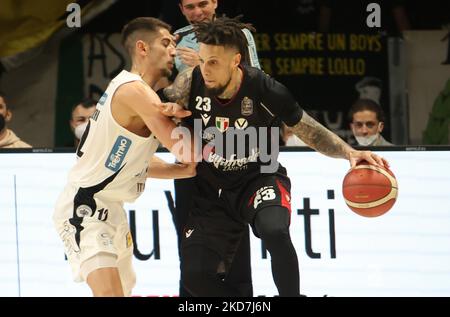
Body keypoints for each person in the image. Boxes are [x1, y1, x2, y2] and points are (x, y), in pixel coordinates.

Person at [162, 16, 388, 296]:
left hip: (259, 179)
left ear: (236, 61)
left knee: (275, 232)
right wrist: (169, 111)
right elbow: (161, 107)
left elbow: (309, 130)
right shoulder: (191, 82)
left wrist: (349, 152)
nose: (205, 69)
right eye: (203, 60)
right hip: (212, 191)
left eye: (214, 62)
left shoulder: (264, 89)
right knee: (194, 278)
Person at [53, 17, 196, 297]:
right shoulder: (135, 91)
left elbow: (132, 163)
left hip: (112, 210)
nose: (173, 51)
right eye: (166, 43)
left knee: (125, 292)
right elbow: (184, 150)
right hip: (85, 209)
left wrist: (185, 170)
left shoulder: (133, 89)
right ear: (142, 48)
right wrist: (189, 112)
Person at [169, 0, 261, 297]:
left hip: (231, 145)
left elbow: (255, 86)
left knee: (234, 231)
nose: (197, 12)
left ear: (216, 2)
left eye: (203, 4)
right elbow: (169, 96)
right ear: (181, 9)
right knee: (188, 228)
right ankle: (190, 297)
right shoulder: (174, 39)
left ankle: (241, 297)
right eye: (190, 7)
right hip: (190, 145)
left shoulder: (239, 35)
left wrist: (203, 65)